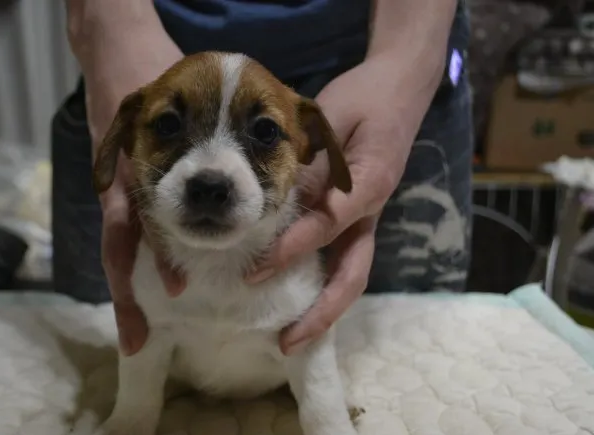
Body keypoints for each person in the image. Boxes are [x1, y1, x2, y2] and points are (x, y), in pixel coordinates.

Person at [54, 0, 473, 356]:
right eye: (166, 125)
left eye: (265, 133)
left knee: (407, 341)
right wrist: (102, 14)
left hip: (375, 58)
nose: (212, 180)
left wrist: (407, 58)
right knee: (108, 313)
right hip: (134, 45)